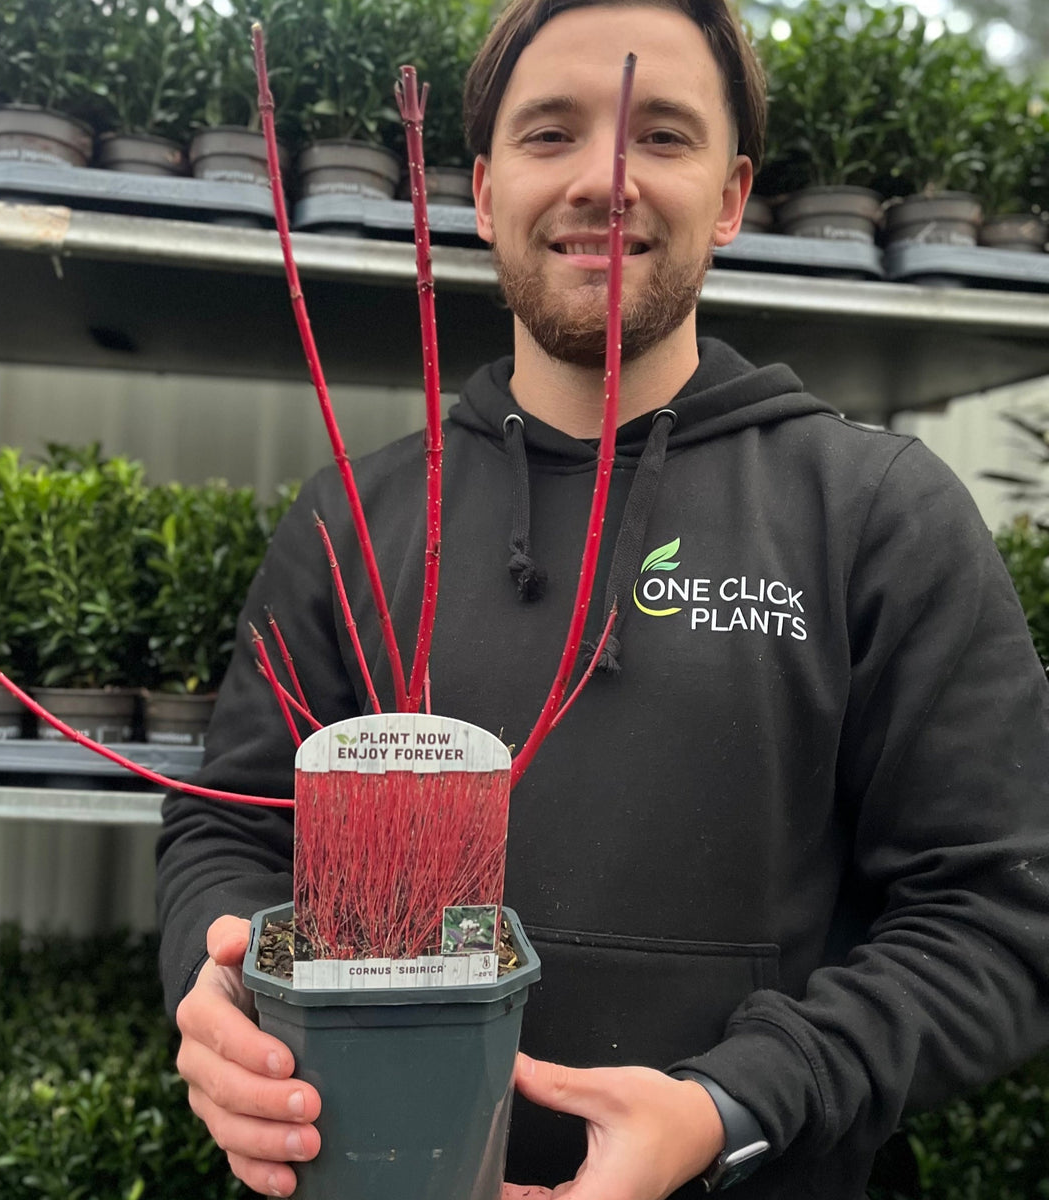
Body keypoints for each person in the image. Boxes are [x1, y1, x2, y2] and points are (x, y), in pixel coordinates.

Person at [156, 0, 1049, 1196]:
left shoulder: (876, 515)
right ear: (484, 194)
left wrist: (732, 1105)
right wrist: (219, 997)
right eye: (550, 133)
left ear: (731, 196)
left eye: (662, 135)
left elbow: (998, 911)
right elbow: (230, 830)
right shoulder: (350, 523)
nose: (604, 179)